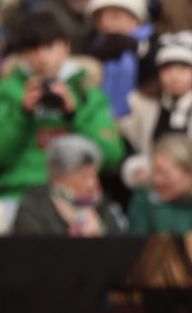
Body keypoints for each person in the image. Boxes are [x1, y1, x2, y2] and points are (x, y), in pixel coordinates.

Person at [0, 11, 124, 212]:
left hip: (74, 194)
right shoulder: (7, 92)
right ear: (23, 53)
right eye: (33, 48)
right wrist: (21, 114)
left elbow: (110, 156)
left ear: (66, 46)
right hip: (16, 194)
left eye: (49, 46)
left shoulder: (88, 95)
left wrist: (74, 115)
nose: (42, 56)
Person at [119, 31, 192, 191]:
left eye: (183, 69)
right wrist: (138, 170)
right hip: (150, 185)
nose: (174, 77)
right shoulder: (143, 107)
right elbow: (131, 147)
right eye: (168, 69)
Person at [12, 132, 127, 234]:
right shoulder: (33, 207)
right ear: (58, 177)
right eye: (84, 177)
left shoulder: (101, 206)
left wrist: (100, 234)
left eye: (95, 176)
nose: (92, 184)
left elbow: (119, 244)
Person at [84, 0, 154, 120]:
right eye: (99, 18)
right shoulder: (92, 44)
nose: (105, 23)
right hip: (101, 119)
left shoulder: (154, 44)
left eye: (115, 16)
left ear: (136, 18)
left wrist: (138, 49)